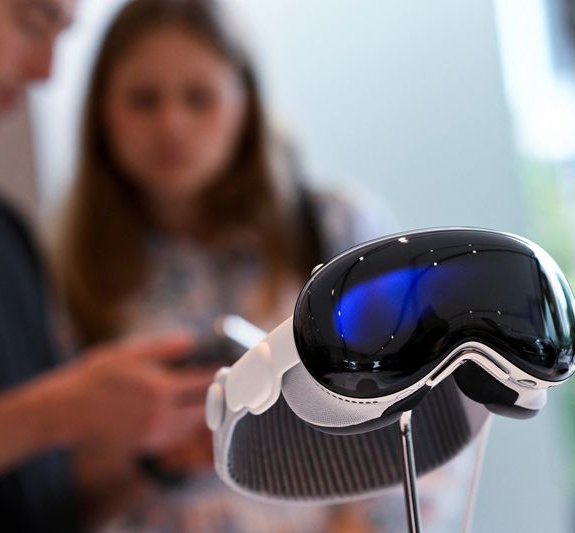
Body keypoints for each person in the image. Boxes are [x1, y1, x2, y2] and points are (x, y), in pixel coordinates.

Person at [0, 1, 214, 531]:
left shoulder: (3, 227)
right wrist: (57, 410)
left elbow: (38, 491)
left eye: (61, 36)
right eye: (31, 22)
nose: (45, 72)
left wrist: (160, 455)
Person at [51, 1, 396, 531]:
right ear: (102, 112)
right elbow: (57, 482)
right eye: (143, 100)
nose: (171, 124)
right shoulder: (70, 268)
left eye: (199, 97)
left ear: (246, 103)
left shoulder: (333, 230)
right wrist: (156, 454)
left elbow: (413, 415)